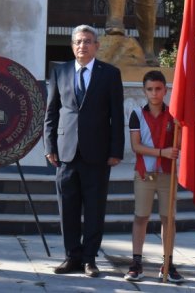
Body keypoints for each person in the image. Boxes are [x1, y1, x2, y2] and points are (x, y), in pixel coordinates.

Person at [44, 25, 124, 277]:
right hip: (66, 152)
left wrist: (116, 150)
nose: (83, 45)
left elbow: (116, 116)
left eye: (88, 41)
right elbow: (51, 112)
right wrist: (49, 146)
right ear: (72, 45)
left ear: (96, 46)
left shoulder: (110, 74)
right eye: (78, 41)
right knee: (67, 207)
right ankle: (72, 256)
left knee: (94, 208)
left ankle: (90, 258)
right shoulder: (60, 71)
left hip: (97, 154)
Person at [125, 70, 184, 283]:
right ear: (144, 91)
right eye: (149, 89)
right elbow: (136, 146)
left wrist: (175, 148)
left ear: (165, 90)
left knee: (168, 218)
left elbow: (179, 144)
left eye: (158, 89)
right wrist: (162, 152)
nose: (154, 93)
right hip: (144, 174)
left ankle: (167, 262)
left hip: (167, 174)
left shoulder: (174, 115)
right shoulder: (137, 114)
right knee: (141, 216)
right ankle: (136, 262)